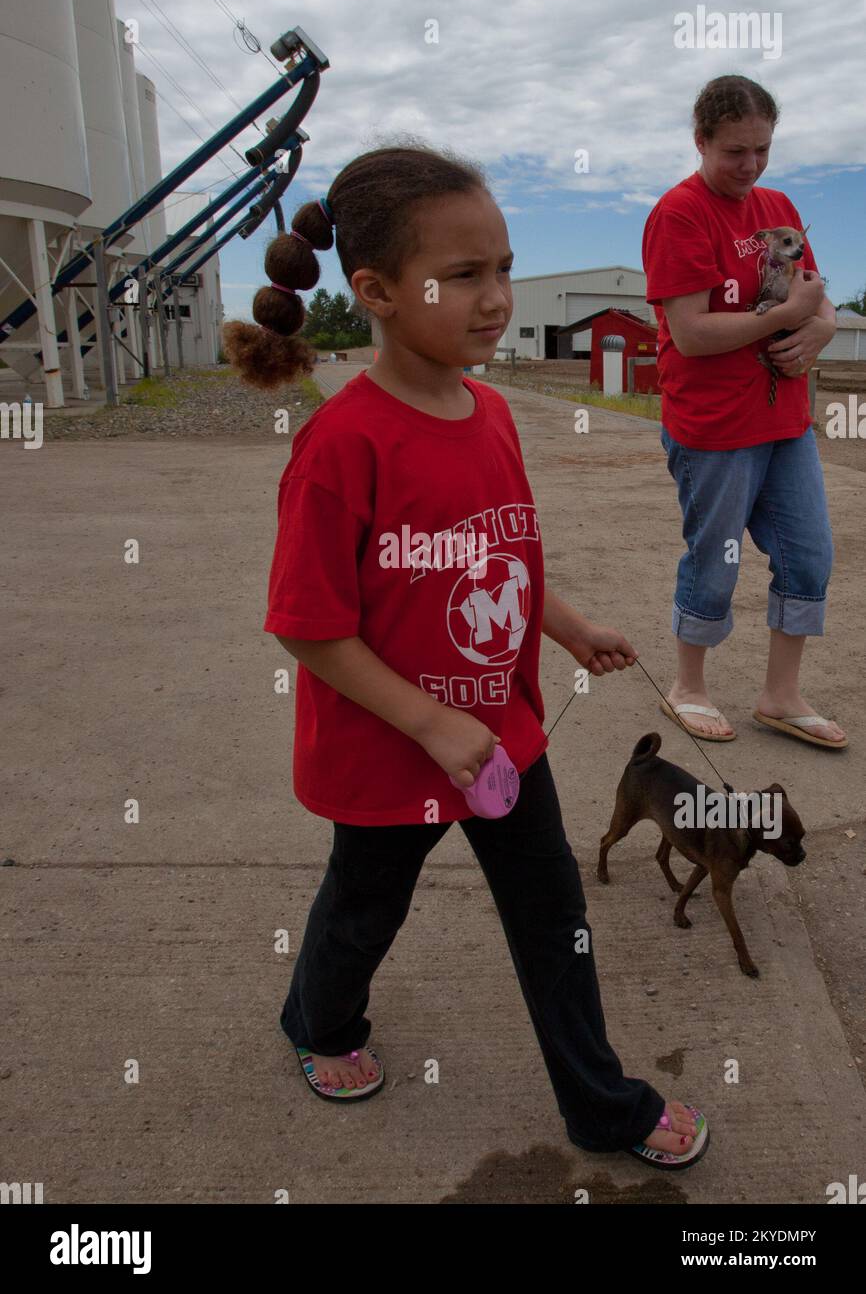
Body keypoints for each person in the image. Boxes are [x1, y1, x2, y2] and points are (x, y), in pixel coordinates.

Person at [221, 140, 709, 1170]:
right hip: (389, 752)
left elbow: (501, 556)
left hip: (501, 739)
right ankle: (320, 1021)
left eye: (502, 266)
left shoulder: (489, 412)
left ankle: (601, 1105)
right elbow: (307, 623)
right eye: (464, 274)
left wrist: (563, 623)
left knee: (553, 918)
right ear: (378, 291)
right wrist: (430, 720)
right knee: (362, 906)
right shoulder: (342, 444)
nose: (495, 297)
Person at [642, 74, 847, 750]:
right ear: (700, 140)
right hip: (715, 427)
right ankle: (688, 688)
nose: (751, 165)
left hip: (784, 423)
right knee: (716, 558)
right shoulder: (679, 213)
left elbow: (817, 295)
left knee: (809, 556)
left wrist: (819, 328)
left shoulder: (778, 205)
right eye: (735, 150)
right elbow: (693, 333)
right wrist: (786, 317)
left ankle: (780, 696)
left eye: (762, 148)